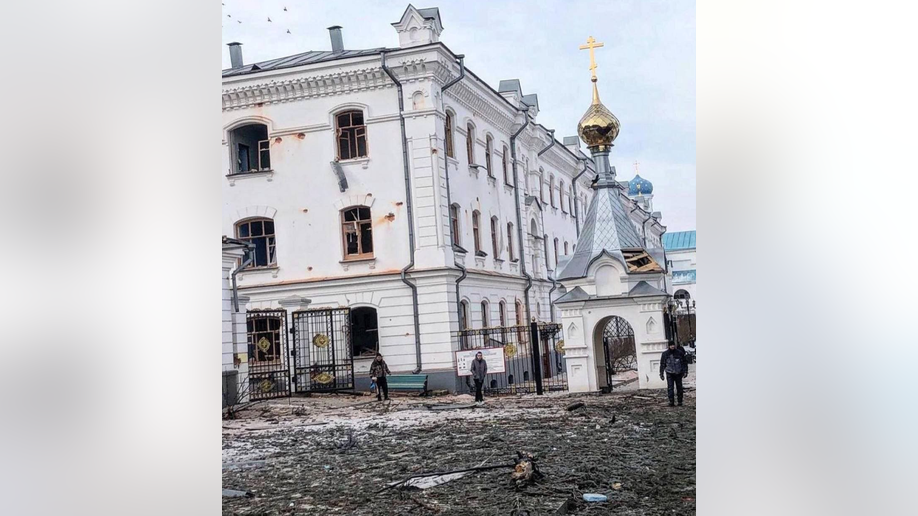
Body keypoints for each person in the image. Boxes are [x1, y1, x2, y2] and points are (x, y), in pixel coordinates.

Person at [659, 341, 689, 406]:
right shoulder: (665, 354)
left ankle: (680, 401)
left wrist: (685, 371)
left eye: (673, 345)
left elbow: (684, 362)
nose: (672, 346)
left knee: (679, 388)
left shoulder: (679, 353)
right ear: (669, 346)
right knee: (670, 388)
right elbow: (662, 364)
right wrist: (661, 373)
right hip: (669, 373)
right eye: (671, 345)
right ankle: (671, 402)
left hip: (678, 373)